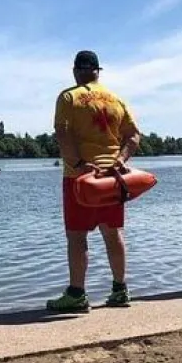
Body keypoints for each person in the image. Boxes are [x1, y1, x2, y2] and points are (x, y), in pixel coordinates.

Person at [47, 50, 141, 313]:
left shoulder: (69, 97)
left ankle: (77, 294)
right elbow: (133, 135)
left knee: (77, 237)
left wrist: (77, 164)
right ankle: (120, 290)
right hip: (112, 178)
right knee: (114, 233)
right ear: (98, 71)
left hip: (81, 179)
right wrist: (121, 159)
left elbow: (62, 134)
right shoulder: (116, 99)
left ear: (76, 71)